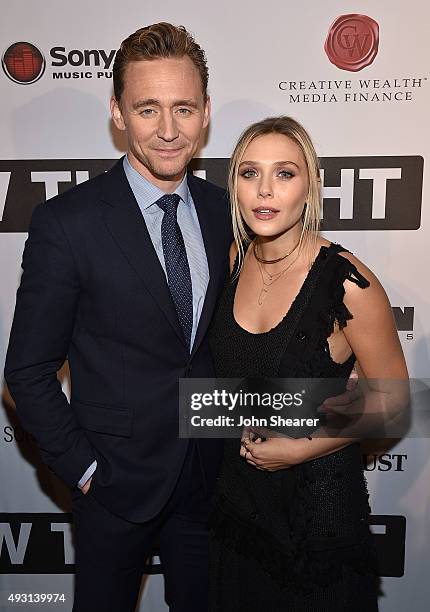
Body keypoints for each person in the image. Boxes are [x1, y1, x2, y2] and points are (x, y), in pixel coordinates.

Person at [4, 23, 232, 612]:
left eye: (184, 108)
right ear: (118, 112)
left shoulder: (226, 210)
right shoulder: (67, 223)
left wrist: (331, 395)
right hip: (113, 486)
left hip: (213, 480)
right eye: (147, 108)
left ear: (206, 112)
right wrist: (84, 472)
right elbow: (27, 372)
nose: (167, 129)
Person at [208, 116, 409, 611]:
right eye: (249, 173)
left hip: (317, 512)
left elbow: (397, 401)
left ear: (310, 186)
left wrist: (300, 450)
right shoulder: (233, 260)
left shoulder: (346, 282)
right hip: (237, 509)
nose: (264, 191)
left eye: (284, 173)